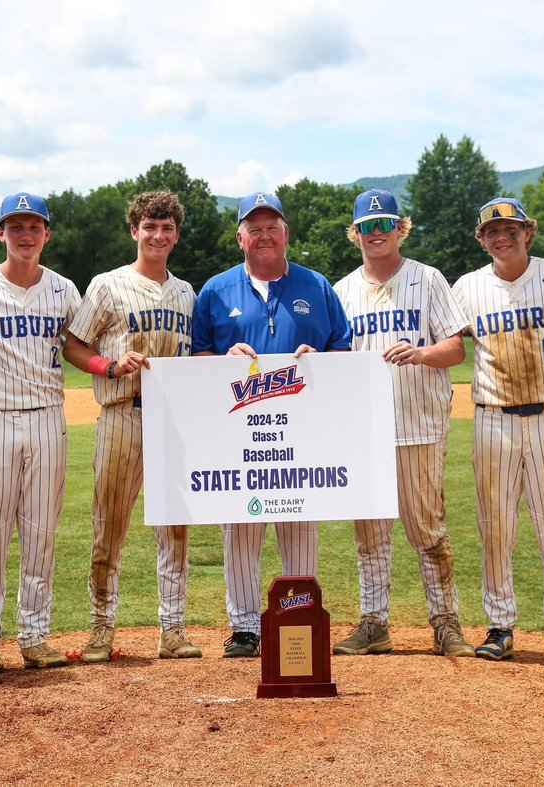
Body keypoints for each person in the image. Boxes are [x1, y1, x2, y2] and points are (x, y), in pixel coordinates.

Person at [191, 191, 351, 657]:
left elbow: (342, 349)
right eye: (254, 228)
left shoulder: (316, 285)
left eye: (272, 227)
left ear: (286, 233)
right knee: (241, 525)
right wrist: (223, 359)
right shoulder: (216, 290)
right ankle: (244, 628)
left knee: (299, 518)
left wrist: (319, 360)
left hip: (301, 432)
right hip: (240, 432)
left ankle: (297, 618)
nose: (264, 235)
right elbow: (197, 358)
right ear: (239, 237)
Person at [331, 189, 475, 658]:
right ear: (355, 234)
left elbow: (456, 348)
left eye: (385, 224)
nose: (376, 233)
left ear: (400, 229)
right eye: (367, 226)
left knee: (427, 530)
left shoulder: (428, 278)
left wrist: (422, 353)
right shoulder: (341, 291)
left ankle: (446, 623)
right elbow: (334, 357)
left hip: (418, 425)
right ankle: (374, 623)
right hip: (365, 432)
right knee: (370, 533)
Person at [65, 190, 201, 662]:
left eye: (166, 228)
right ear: (134, 231)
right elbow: (74, 345)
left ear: (176, 235)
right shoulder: (107, 285)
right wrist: (108, 366)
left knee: (175, 529)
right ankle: (101, 628)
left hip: (173, 420)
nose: (157, 235)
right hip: (123, 413)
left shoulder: (186, 293)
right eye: (149, 227)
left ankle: (173, 629)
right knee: (109, 525)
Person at [0, 193, 82, 672]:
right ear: (0, 233)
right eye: (16, 226)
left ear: (47, 234)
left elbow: (81, 342)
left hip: (47, 416)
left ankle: (33, 634)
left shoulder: (64, 290)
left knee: (41, 532)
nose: (25, 234)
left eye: (34, 226)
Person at [452, 198, 544, 668]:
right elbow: (452, 338)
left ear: (528, 231)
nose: (501, 236)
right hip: (493, 418)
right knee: (495, 527)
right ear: (482, 239)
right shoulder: (468, 287)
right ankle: (500, 625)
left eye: (510, 228)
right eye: (491, 231)